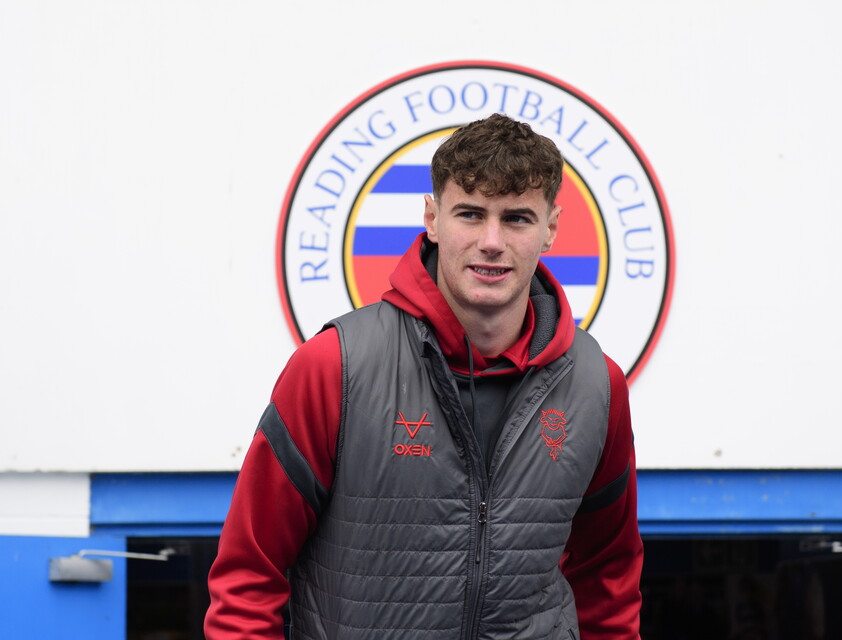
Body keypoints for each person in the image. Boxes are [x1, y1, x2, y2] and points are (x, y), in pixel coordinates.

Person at [205, 113, 643, 639]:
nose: (491, 241)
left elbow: (608, 580)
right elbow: (248, 579)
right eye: (470, 214)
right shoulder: (334, 368)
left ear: (551, 228)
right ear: (432, 217)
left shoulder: (598, 385)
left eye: (518, 219)